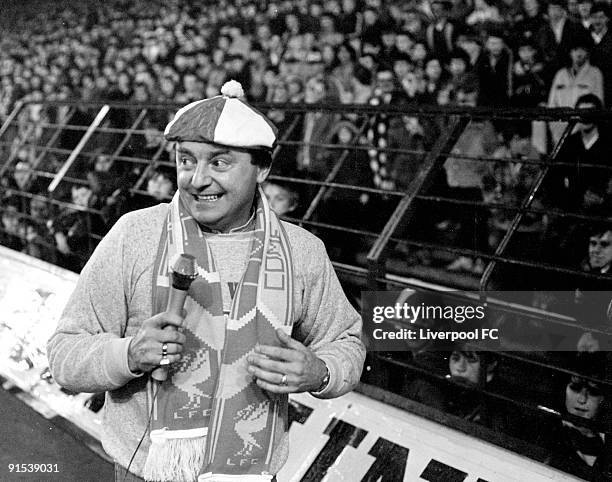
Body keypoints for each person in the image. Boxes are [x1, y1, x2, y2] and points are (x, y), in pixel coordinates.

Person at [47, 80, 365, 482]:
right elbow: (64, 354)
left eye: (218, 162)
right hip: (146, 472)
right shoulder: (136, 234)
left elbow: (348, 342)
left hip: (252, 473)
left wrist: (319, 371)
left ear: (263, 167)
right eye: (186, 160)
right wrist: (128, 354)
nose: (197, 179)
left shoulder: (302, 251)